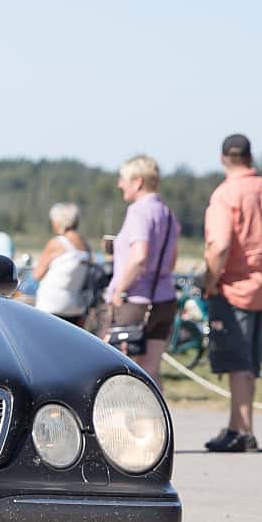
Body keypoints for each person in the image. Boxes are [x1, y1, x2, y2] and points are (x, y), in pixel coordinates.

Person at [201, 134, 262, 453]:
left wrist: (210, 281)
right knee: (250, 363)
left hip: (234, 287)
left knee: (238, 363)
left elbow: (220, 245)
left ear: (223, 158)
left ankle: (242, 430)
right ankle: (238, 425)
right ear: (251, 157)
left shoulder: (226, 195)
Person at [102, 154, 179, 380]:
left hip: (134, 301)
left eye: (123, 179)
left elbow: (139, 257)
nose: (120, 184)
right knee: (150, 372)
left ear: (137, 182)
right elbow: (171, 260)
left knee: (118, 372)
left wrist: (119, 291)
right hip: (164, 300)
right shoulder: (167, 213)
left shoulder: (138, 211)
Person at [32, 202, 91, 326]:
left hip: (51, 305)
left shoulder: (57, 243)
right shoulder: (85, 245)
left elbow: (37, 274)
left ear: (60, 222)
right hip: (75, 306)